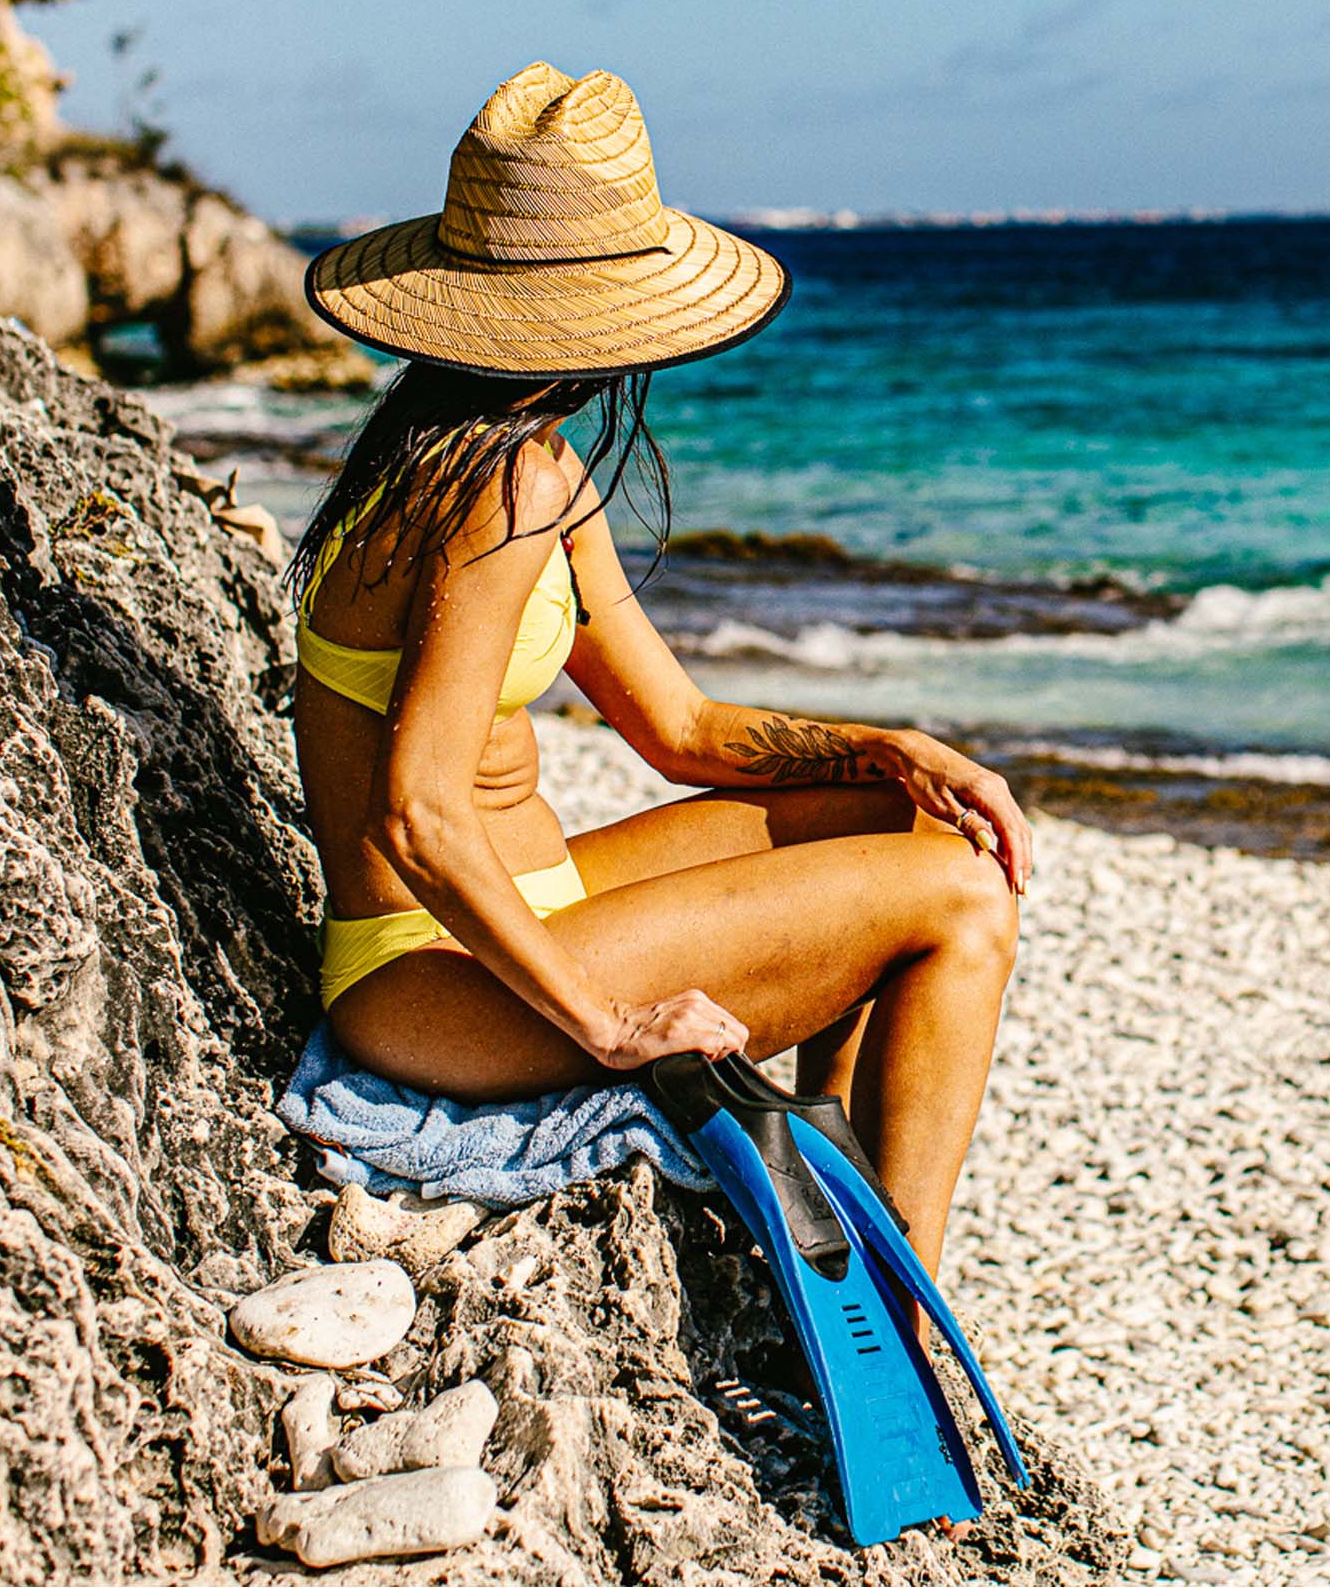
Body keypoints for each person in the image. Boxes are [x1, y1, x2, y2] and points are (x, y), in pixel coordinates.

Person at [294, 64, 1028, 1277]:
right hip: (432, 979)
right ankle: (907, 1298)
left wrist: (892, 748)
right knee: (962, 900)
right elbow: (419, 815)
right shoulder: (499, 486)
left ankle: (823, 1158)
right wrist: (612, 1026)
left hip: (515, 919)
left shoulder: (488, 456)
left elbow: (677, 725)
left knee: (895, 815)